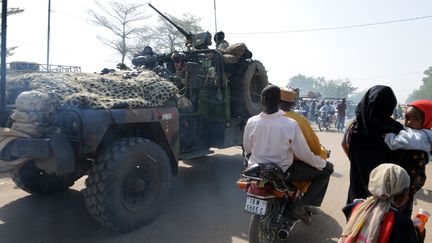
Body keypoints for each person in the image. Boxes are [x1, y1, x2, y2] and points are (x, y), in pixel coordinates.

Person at [243, 85, 334, 221]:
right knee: (326, 170)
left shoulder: (252, 121)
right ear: (279, 101)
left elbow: (247, 148)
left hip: (257, 170)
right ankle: (300, 206)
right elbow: (303, 153)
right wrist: (321, 163)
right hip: (282, 171)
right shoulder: (290, 124)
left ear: (262, 100)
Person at [346, 85, 404, 204]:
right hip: (383, 195)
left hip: (357, 194)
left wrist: (356, 160)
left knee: (356, 217)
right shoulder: (394, 129)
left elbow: (344, 144)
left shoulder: (355, 126)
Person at [339, 163, 425, 243]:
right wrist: (419, 234)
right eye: (407, 191)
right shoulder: (403, 223)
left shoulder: (356, 207)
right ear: (402, 196)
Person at [384, 99, 432, 216]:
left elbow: (395, 142)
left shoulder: (419, 136)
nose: (409, 122)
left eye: (415, 119)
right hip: (411, 180)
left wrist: (387, 134)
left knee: (395, 210)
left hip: (406, 181)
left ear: (426, 120)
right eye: (407, 118)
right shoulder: (424, 133)